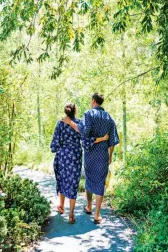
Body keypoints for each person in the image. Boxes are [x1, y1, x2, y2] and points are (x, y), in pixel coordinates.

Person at [63, 93, 119, 224]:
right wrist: (110, 157)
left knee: (89, 178)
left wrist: (70, 123)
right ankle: (97, 215)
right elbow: (113, 141)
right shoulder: (109, 118)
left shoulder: (88, 114)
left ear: (93, 101)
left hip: (90, 155)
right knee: (100, 182)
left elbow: (83, 132)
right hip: (103, 156)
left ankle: (88, 206)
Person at [50, 103, 109, 224]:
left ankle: (61, 206)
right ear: (75, 111)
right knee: (73, 183)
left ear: (66, 112)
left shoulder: (60, 124)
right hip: (75, 156)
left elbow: (54, 144)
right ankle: (71, 215)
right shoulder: (80, 124)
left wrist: (58, 149)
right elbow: (86, 139)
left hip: (62, 156)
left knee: (62, 180)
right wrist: (102, 139)